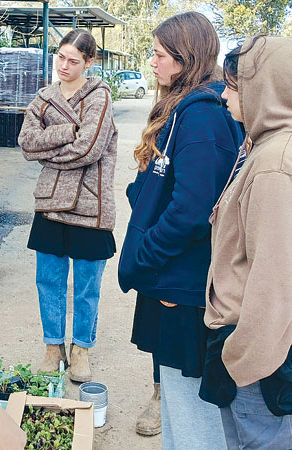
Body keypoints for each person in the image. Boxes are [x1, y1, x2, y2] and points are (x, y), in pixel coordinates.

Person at [118, 12, 243, 449]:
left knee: (191, 414)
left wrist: (147, 257)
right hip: (176, 279)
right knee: (176, 399)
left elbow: (192, 209)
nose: (152, 62)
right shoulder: (189, 108)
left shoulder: (203, 116)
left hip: (183, 286)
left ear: (185, 58)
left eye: (159, 55)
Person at [200, 35, 292, 449]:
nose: (224, 96)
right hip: (259, 350)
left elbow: (274, 279)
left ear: (266, 89)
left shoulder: (275, 165)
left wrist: (242, 359)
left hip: (260, 362)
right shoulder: (267, 145)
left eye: (234, 87)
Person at [19, 29, 118, 382]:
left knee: (87, 285)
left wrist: (48, 154)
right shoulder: (43, 98)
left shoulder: (99, 96)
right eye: (60, 57)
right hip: (49, 202)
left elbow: (89, 149)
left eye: (73, 61)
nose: (64, 65)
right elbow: (26, 143)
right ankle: (53, 348)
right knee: (48, 280)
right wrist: (67, 132)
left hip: (90, 202)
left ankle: (81, 349)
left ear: (89, 63)